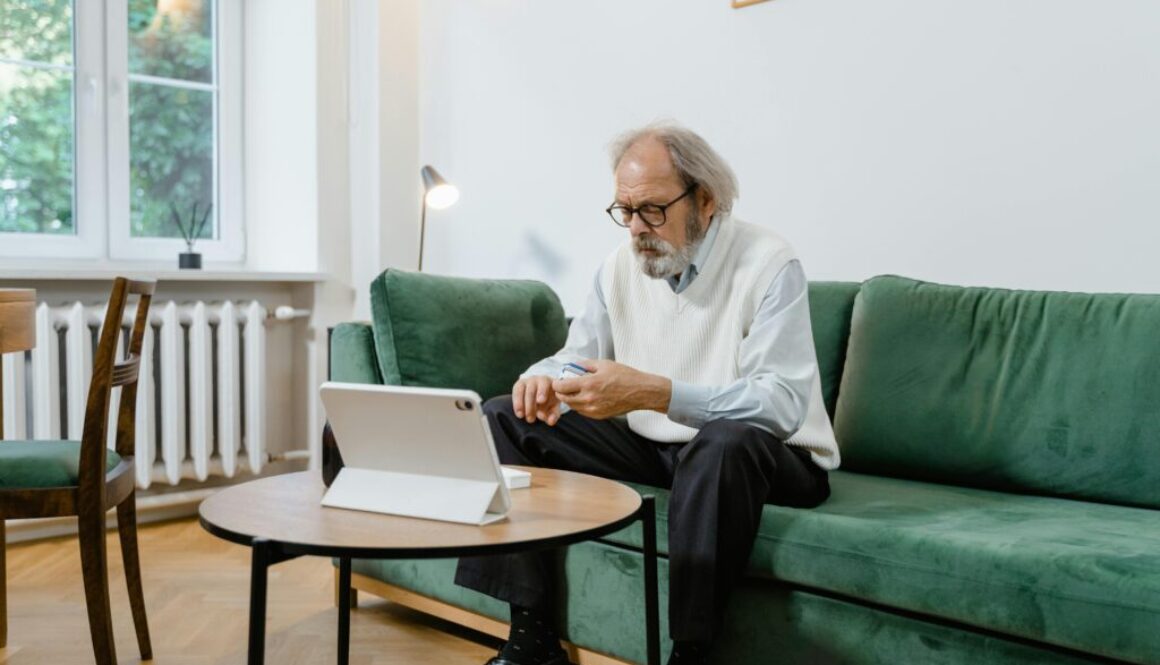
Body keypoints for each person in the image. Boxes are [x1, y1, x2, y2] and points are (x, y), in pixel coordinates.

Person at [455, 122, 840, 665]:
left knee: (724, 440)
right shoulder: (618, 267)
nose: (635, 228)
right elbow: (577, 352)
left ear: (705, 201)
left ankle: (690, 652)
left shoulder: (770, 262)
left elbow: (778, 405)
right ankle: (532, 637)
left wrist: (656, 393)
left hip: (773, 460)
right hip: (665, 452)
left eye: (652, 210)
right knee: (504, 415)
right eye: (624, 210)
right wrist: (540, 377)